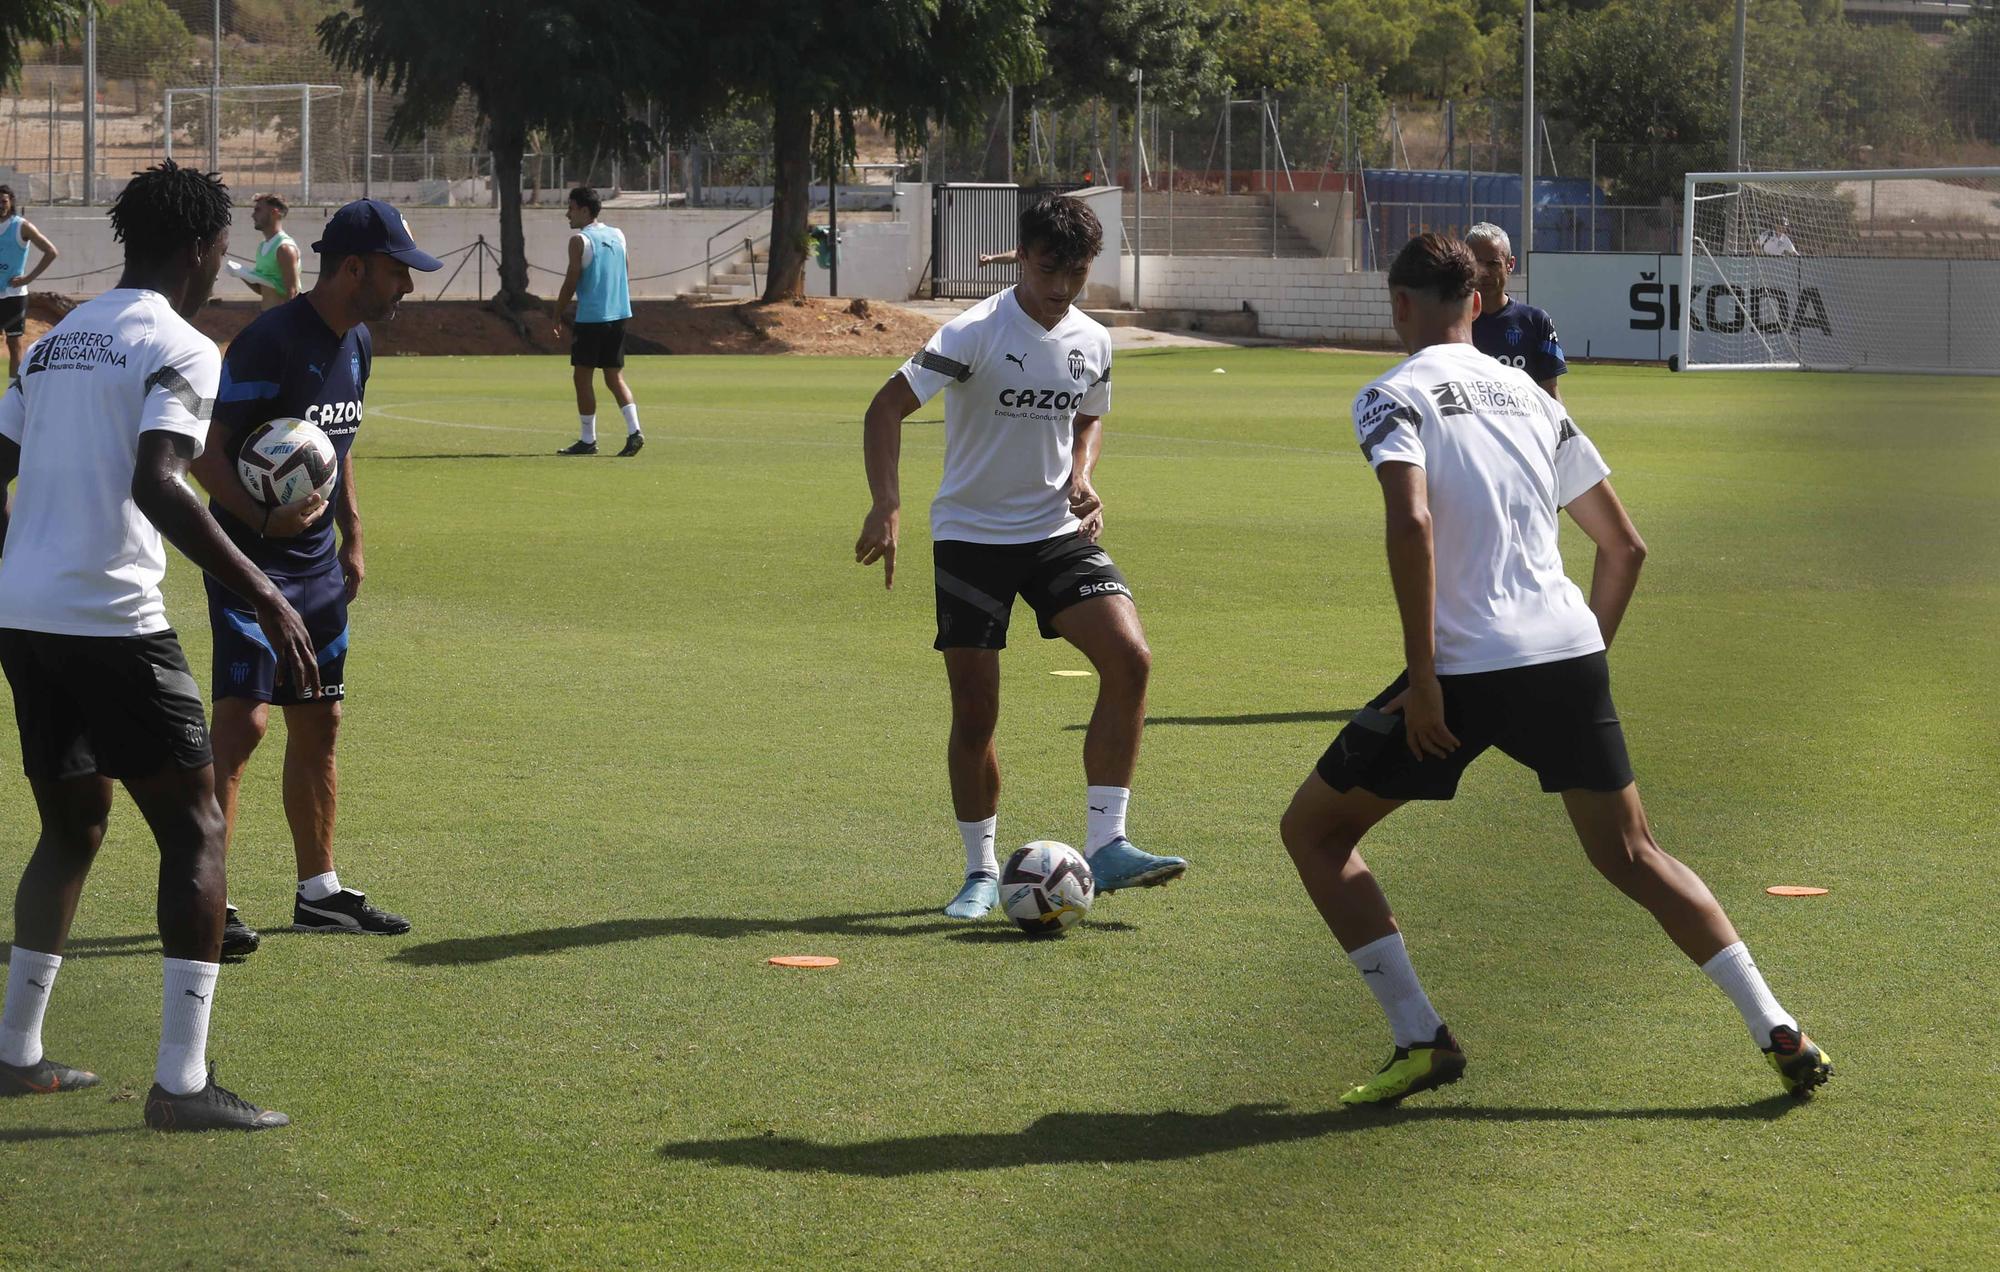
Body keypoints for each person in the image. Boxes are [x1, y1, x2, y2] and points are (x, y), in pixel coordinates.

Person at [1279, 232, 1832, 1106]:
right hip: (1569, 651)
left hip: (1464, 672)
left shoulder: (1391, 397)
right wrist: (1578, 668)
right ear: (1476, 301)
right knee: (1634, 854)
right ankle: (1775, 1023)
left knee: (1313, 833)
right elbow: (1625, 548)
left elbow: (1413, 526)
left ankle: (1421, 1037)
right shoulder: (1534, 399)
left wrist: (1425, 681)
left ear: (1400, 305)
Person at [0, 160, 314, 1131]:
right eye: (222, 250)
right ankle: (182, 1084)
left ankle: (13, 1054)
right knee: (197, 830)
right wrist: (265, 590)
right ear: (200, 249)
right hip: (110, 617)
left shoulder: (48, 347)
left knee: (72, 825)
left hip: (26, 612)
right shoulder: (181, 343)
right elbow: (160, 481)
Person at [854, 193, 1187, 919]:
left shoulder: (1094, 339)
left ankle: (1109, 842)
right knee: (976, 713)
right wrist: (888, 502)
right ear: (1021, 257)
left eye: (1075, 272)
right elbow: (885, 406)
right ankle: (978, 872)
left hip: (1054, 533)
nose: (1060, 287)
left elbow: (1089, 411)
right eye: (1046, 269)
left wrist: (1083, 474)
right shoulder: (974, 331)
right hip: (972, 539)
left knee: (1130, 659)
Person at [191, 199, 438, 953]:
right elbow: (205, 453)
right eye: (399, 271)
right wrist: (264, 524)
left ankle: (319, 892)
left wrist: (352, 533)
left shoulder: (358, 340)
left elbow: (338, 445)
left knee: (321, 721)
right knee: (243, 724)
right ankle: (209, 898)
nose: (409, 286)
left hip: (318, 568)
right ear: (355, 268)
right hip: (250, 564)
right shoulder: (267, 341)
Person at [553, 186, 643, 457]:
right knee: (614, 377)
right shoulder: (618, 235)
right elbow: (625, 270)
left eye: (570, 207)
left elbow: (571, 281)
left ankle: (587, 439)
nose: (567, 214)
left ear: (583, 210)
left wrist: (557, 313)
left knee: (582, 378)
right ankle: (635, 431)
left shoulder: (580, 240)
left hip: (592, 318)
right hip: (618, 315)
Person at [1464, 222, 1566, 401]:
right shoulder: (1451, 322)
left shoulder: (1536, 322)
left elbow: (1550, 391)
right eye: (1477, 263)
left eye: (1493, 264)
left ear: (1510, 264)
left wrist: (1562, 428)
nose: (1484, 272)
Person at [0, 185, 60, 379]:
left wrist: (28, 278)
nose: (0, 205)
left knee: (14, 342)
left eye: (4, 201)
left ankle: (12, 392)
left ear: (11, 202)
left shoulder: (21, 226)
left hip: (13, 296)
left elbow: (51, 251)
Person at [226, 192, 301, 309]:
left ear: (274, 213)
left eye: (258, 210)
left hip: (281, 321)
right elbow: (262, 289)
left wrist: (285, 322)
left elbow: (292, 291)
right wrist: (241, 273)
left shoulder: (285, 248)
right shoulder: (262, 246)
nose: (253, 215)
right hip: (267, 316)